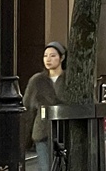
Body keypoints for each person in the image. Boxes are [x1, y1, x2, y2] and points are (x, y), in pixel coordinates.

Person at [23, 42, 66, 171]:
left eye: (53, 55)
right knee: (45, 167)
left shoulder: (69, 79)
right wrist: (25, 138)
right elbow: (28, 110)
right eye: (45, 55)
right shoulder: (36, 81)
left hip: (65, 130)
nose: (48, 59)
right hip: (42, 130)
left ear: (61, 57)